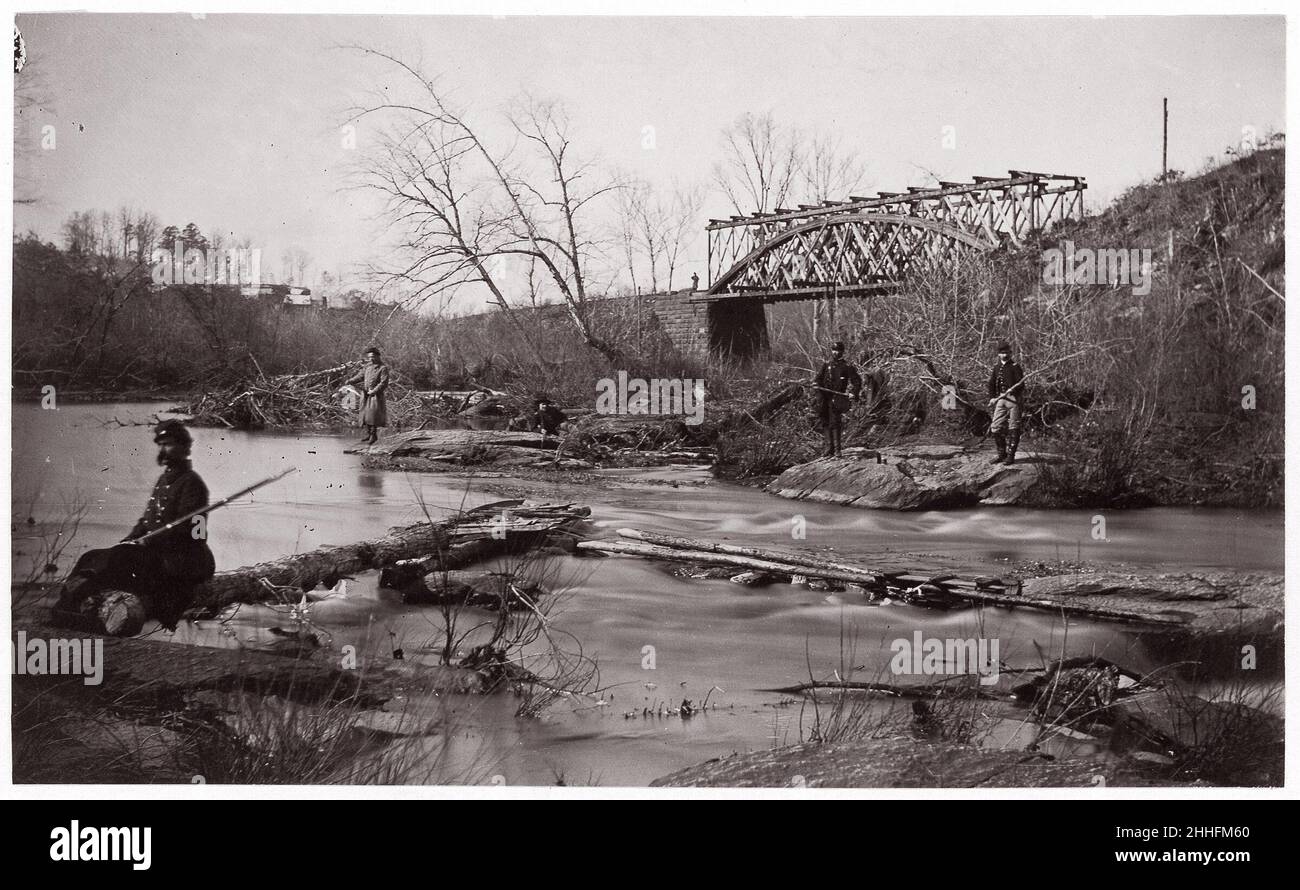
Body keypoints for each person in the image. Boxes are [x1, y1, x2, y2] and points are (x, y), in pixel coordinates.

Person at [52, 420, 216, 632]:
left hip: (184, 559)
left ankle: (93, 608)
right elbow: (146, 521)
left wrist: (151, 540)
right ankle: (71, 604)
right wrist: (130, 539)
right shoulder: (164, 480)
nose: (162, 449)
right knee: (92, 556)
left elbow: (197, 534)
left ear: (185, 448)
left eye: (168, 444)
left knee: (120, 559)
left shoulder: (193, 484)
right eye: (160, 444)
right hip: (157, 551)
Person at [814, 341, 862, 457]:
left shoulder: (847, 367)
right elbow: (818, 378)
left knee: (835, 422)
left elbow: (857, 381)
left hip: (838, 398)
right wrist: (816, 384)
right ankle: (828, 448)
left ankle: (837, 450)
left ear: (842, 352)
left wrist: (853, 393)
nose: (836, 353)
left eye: (838, 351)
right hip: (824, 397)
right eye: (834, 350)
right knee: (825, 421)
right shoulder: (826, 365)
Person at [987, 341, 1026, 464]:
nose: (1005, 355)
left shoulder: (1015, 366)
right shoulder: (996, 367)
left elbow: (1021, 384)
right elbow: (991, 384)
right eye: (1002, 353)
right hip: (1000, 400)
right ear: (998, 354)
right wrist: (992, 397)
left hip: (1014, 400)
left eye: (1007, 353)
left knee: (1013, 427)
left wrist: (1012, 389)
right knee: (995, 427)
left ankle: (1010, 456)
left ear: (1010, 353)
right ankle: (1001, 454)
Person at [344, 347, 390, 445]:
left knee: (373, 416)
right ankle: (368, 434)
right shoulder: (367, 367)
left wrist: (374, 391)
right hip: (365, 395)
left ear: (378, 356)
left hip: (375, 396)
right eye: (369, 357)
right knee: (364, 415)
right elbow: (360, 376)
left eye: (372, 357)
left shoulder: (383, 368)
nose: (371, 359)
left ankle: (374, 436)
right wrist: (350, 380)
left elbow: (383, 383)